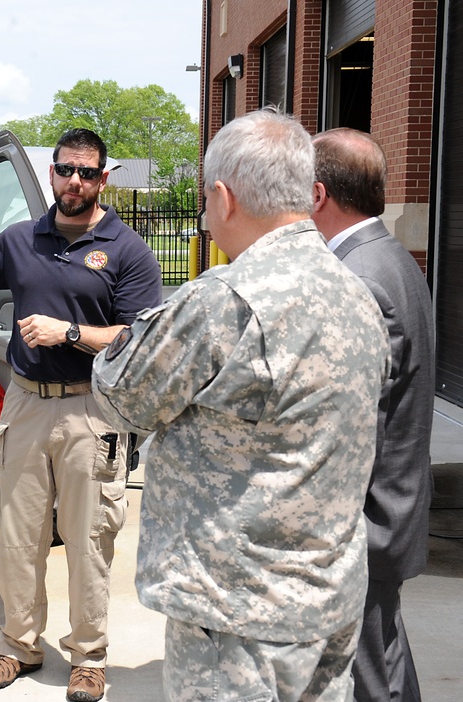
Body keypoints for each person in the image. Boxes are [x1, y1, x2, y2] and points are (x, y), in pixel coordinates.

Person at [91, 109, 390, 701]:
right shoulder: (356, 290)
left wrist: (121, 341)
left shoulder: (224, 300)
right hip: (329, 598)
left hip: (239, 614)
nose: (205, 217)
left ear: (224, 198)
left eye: (205, 201)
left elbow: (120, 401)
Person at [0, 128, 162, 702]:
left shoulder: (127, 249)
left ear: (103, 178)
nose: (75, 182)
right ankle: (18, 645)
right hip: (24, 403)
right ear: (52, 173)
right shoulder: (22, 240)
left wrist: (69, 332)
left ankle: (88, 656)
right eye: (66, 170)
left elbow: (140, 336)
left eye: (88, 172)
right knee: (16, 533)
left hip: (92, 409)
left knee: (89, 538)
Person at [312, 127, 435, 702]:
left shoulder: (358, 278)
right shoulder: (390, 258)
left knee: (368, 682)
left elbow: (350, 426)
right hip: (388, 512)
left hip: (366, 523)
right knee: (384, 665)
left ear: (316, 196)